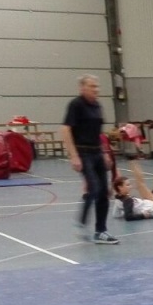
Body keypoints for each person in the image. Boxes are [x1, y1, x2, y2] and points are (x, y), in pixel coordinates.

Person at [61, 74, 118, 244]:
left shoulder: (98, 106)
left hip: (97, 152)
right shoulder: (76, 105)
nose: (96, 90)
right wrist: (74, 155)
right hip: (83, 152)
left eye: (97, 86)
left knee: (104, 192)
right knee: (94, 187)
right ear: (82, 88)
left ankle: (101, 231)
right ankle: (82, 221)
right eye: (92, 86)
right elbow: (65, 130)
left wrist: (105, 152)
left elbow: (98, 132)